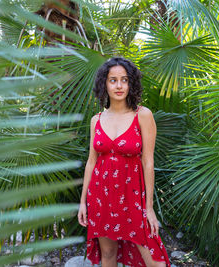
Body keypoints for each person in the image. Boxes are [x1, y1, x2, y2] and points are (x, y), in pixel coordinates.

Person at [77, 57, 170, 267]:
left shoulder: (143, 115)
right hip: (101, 196)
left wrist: (149, 207)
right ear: (105, 84)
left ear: (131, 83)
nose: (119, 86)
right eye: (113, 80)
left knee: (156, 261)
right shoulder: (96, 120)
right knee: (108, 254)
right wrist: (83, 202)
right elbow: (91, 162)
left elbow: (148, 162)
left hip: (132, 196)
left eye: (124, 80)